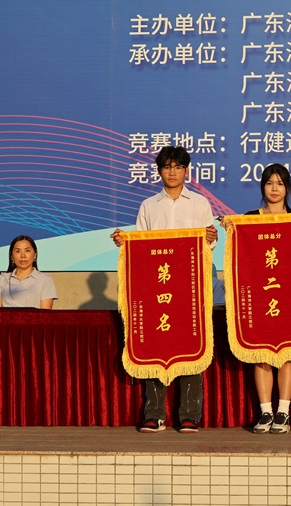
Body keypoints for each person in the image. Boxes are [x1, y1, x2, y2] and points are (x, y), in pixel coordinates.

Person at [111, 146, 218, 434]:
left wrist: (211, 236)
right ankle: (154, 414)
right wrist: (124, 242)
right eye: (167, 167)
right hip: (156, 285)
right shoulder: (149, 205)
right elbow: (140, 245)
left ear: (186, 171)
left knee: (192, 343)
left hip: (189, 286)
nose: (172, 172)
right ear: (159, 171)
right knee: (155, 343)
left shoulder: (199, 203)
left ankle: (189, 415)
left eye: (178, 167)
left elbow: (208, 244)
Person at [240, 164, 291, 434]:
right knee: (261, 353)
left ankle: (283, 412)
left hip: (288, 296)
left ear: (287, 188)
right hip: (260, 296)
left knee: (287, 353)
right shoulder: (250, 219)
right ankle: (265, 412)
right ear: (262, 187)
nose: (274, 189)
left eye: (280, 183)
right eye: (269, 183)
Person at [0, 235, 57, 309]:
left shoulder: (45, 280)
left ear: (35, 254)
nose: (23, 256)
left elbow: (45, 313)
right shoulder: (2, 279)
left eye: (27, 251)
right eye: (18, 251)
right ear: (11, 256)